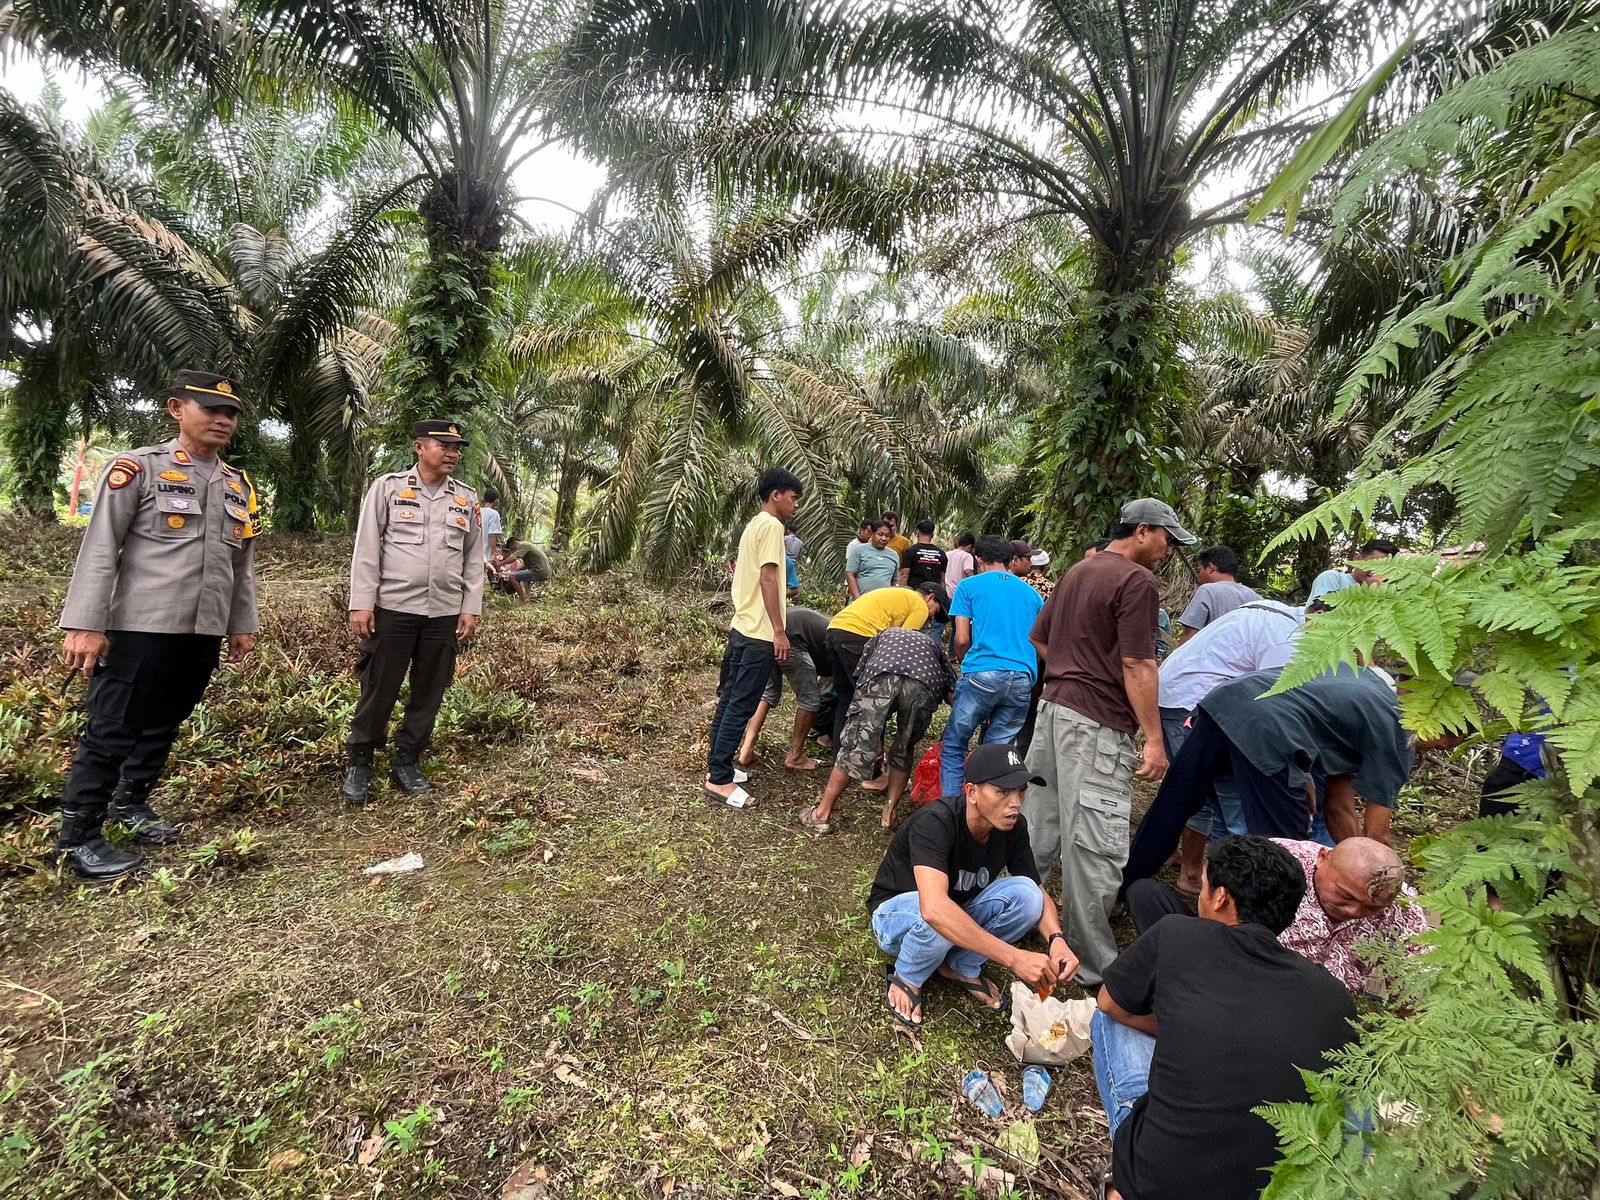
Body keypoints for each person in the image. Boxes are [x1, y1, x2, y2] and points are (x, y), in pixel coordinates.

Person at [55, 371, 261, 881]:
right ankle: (78, 837)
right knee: (112, 728)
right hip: (140, 627)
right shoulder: (138, 469)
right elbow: (100, 548)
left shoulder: (237, 484)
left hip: (201, 631)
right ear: (176, 409)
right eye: (209, 408)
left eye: (230, 412)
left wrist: (240, 623)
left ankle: (131, 806)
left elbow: (242, 564)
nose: (222, 419)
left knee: (164, 720)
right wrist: (84, 622)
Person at [1092, 836, 1357, 1200]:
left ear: (1220, 897)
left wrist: (1172, 1027)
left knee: (1107, 1018)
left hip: (1158, 1183)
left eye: (1202, 886)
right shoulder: (1334, 995)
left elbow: (1109, 1004)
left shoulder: (1176, 933)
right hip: (1285, 1184)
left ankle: (1119, 1186)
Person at [1024, 498, 1197, 986]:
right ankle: (1091, 963)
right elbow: (1138, 664)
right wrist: (1155, 741)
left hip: (1053, 711)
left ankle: (1016, 918)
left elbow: (1039, 639)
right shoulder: (1137, 581)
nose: (1169, 550)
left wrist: (1070, 670)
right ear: (1143, 531)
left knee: (1039, 821)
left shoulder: (1079, 571)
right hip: (1096, 723)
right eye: (1168, 538)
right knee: (1094, 842)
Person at [1123, 664, 1415, 886]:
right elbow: (1378, 839)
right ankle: (1265, 935)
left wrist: (1351, 861)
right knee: (1286, 851)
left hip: (1226, 701)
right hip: (1269, 731)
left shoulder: (1357, 675)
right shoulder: (1400, 725)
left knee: (1174, 804)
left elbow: (1339, 808)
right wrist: (1378, 886)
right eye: (1442, 744)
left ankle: (1122, 890)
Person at [866, 743, 1079, 1027]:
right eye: (1003, 792)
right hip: (898, 917)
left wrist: (1057, 939)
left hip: (955, 910)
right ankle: (907, 975)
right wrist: (1014, 958)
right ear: (972, 793)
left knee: (1027, 895)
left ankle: (960, 964)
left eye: (1020, 791)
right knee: (939, 916)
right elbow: (934, 910)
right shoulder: (936, 822)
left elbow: (1036, 889)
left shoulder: (1013, 826)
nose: (1015, 802)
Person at [342, 420, 485, 804]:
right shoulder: (388, 488)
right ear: (420, 447)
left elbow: (474, 558)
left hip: (443, 612)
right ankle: (361, 760)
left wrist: (469, 607)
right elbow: (367, 549)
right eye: (444, 445)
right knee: (379, 686)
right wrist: (361, 603)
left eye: (457, 448)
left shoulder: (465, 499)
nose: (453, 453)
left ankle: (408, 758)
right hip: (393, 608)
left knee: (430, 688)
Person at [1124, 836, 1427, 995]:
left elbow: (1420, 985)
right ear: (1324, 859)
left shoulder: (1403, 909)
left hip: (1316, 1007)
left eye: (1372, 908)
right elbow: (1216, 908)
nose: (1354, 912)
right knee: (1146, 896)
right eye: (1346, 896)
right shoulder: (1277, 862)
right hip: (1237, 966)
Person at [1158, 599, 1305, 891]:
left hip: (1180, 694)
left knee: (1211, 798)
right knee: (1222, 796)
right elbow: (1276, 702)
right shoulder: (1286, 636)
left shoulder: (1271, 611)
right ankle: (1209, 882)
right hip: (1193, 703)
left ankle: (1208, 877)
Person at [701, 467, 803, 809]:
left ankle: (719, 765)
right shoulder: (773, 527)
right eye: (793, 498)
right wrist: (778, 631)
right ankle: (719, 780)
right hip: (759, 631)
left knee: (730, 700)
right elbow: (769, 579)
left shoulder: (753, 525)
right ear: (776, 495)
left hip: (741, 625)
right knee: (741, 705)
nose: (795, 506)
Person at [802, 623, 955, 833]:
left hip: (882, 676)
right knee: (904, 748)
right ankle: (889, 815)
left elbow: (860, 676)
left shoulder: (882, 636)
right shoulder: (932, 646)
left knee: (855, 745)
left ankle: (821, 814)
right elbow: (950, 689)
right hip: (923, 684)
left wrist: (872, 738)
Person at [940, 535, 1044, 796]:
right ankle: (987, 812)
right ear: (1010, 561)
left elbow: (961, 639)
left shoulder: (969, 586)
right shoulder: (1032, 595)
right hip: (1022, 678)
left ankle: (953, 813)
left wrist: (967, 665)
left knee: (954, 745)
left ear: (979, 558)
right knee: (995, 754)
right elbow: (1039, 643)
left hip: (983, 673)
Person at [825, 584, 948, 747]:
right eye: (936, 612)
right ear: (930, 597)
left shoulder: (899, 594)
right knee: (873, 701)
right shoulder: (920, 605)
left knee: (846, 699)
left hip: (834, 630)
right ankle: (872, 760)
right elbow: (901, 642)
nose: (931, 618)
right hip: (859, 636)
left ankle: (839, 757)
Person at [736, 606, 833, 772]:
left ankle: (746, 749)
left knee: (767, 693)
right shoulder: (842, 638)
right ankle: (795, 757)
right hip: (790, 639)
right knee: (810, 700)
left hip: (771, 632)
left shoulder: (836, 626)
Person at [1175, 545, 1259, 643]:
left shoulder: (1207, 591)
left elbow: (1190, 635)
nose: (1199, 575)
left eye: (1200, 570)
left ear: (1211, 568)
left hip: (1211, 657)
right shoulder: (1255, 597)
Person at [1308, 537, 1400, 602]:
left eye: (1385, 568)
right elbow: (1319, 616)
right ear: (1358, 559)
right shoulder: (1332, 578)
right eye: (1374, 564)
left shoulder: (1388, 590)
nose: (1377, 571)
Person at [844, 520, 902, 598]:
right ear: (873, 534)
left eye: (887, 535)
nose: (884, 538)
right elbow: (850, 575)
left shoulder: (894, 555)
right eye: (880, 534)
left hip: (883, 604)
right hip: (860, 602)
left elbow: (894, 580)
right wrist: (857, 598)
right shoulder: (859, 550)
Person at [898, 519, 947, 589]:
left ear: (917, 533)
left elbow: (904, 576)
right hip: (932, 595)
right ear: (932, 535)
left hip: (914, 593)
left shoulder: (910, 551)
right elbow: (942, 580)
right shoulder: (941, 554)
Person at [943, 530, 976, 597]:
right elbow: (968, 571)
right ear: (969, 546)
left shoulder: (947, 554)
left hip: (946, 591)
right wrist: (976, 582)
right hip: (959, 592)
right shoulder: (967, 556)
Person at [479, 488, 504, 563]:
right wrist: (494, 553)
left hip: (473, 551)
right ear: (496, 501)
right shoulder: (494, 514)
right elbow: (492, 535)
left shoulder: (477, 511)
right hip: (483, 553)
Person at [784, 523, 803, 597]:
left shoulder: (785, 538)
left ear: (788, 530)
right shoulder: (799, 542)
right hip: (794, 563)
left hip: (785, 562)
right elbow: (800, 555)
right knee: (792, 584)